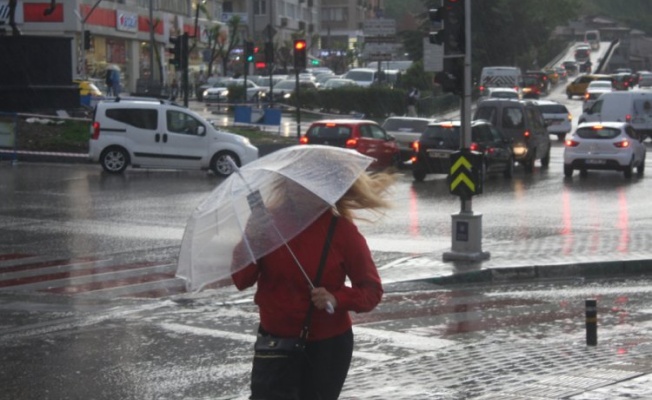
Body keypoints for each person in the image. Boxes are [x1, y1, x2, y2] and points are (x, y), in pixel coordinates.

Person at [232, 171, 396, 400]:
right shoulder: (266, 222)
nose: (302, 191)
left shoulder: (341, 231)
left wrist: (337, 298)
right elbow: (241, 279)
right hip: (274, 344)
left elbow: (371, 291)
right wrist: (252, 236)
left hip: (325, 349)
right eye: (296, 184)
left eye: (311, 185)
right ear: (286, 186)